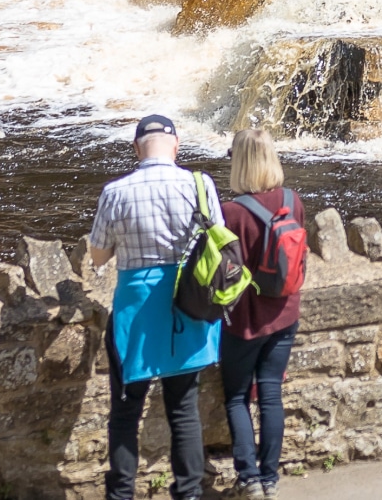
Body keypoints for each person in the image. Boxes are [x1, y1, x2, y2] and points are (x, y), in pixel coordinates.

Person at [89, 115, 223, 500]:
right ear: (177, 144)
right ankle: (190, 494)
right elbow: (218, 244)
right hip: (187, 308)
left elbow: (98, 256)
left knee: (126, 412)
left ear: (136, 148)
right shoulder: (201, 185)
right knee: (183, 409)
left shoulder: (116, 192)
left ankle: (121, 495)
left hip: (136, 313)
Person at [219, 129, 306, 499]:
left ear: (239, 163)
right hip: (286, 313)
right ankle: (270, 479)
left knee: (237, 397)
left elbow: (223, 274)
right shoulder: (293, 200)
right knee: (271, 393)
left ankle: (249, 479)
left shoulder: (232, 213)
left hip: (247, 322)